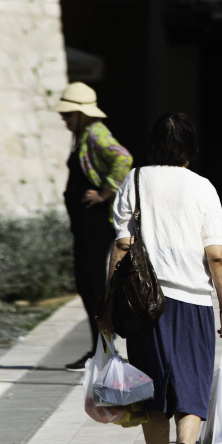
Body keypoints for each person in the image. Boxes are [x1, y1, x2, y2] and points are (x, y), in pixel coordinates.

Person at [99, 113, 222, 444]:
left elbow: (122, 246)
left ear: (152, 145)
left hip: (143, 303)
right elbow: (217, 254)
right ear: (191, 147)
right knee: (192, 381)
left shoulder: (135, 181)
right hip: (192, 301)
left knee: (152, 391)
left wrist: (108, 307)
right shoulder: (202, 187)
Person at [53, 82, 133, 371]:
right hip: (86, 224)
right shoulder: (84, 136)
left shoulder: (96, 133)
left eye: (68, 114)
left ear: (82, 114)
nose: (64, 119)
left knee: (93, 284)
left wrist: (105, 192)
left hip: (95, 223)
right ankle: (101, 347)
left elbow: (123, 157)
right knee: (88, 284)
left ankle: (104, 349)